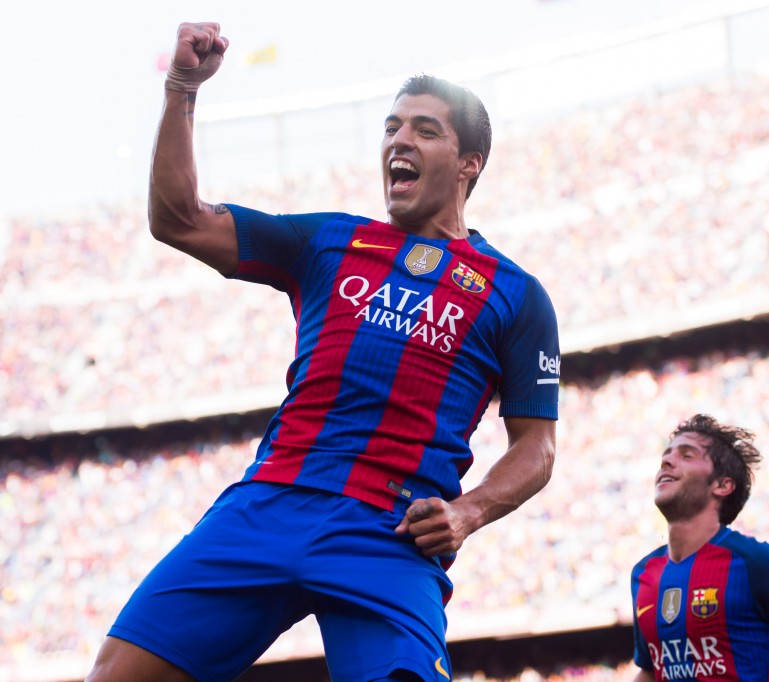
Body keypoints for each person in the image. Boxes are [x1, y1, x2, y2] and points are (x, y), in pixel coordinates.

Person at [86, 21, 560, 682]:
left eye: (425, 129)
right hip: (270, 501)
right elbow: (179, 220)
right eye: (392, 127)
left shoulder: (515, 294)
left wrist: (467, 511)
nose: (399, 139)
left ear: (469, 163)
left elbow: (537, 448)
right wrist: (181, 88)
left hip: (391, 533)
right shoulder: (328, 241)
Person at [630, 414, 769, 681]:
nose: (666, 461)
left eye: (687, 454)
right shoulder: (644, 573)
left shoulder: (760, 563)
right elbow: (651, 671)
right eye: (667, 454)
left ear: (722, 484)